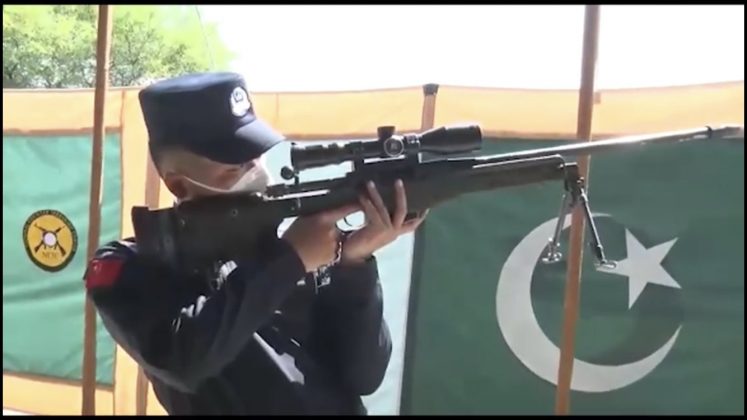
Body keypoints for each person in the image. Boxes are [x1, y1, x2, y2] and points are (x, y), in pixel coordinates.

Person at [83, 72, 427, 415]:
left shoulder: (288, 248)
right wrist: (288, 261)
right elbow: (181, 358)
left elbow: (364, 376)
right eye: (235, 167)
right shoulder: (129, 265)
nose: (257, 171)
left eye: (255, 156)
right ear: (179, 186)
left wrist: (353, 264)